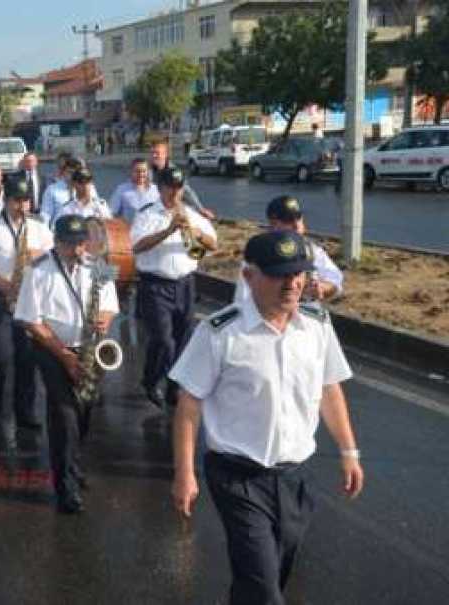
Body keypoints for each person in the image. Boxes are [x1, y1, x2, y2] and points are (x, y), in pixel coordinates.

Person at [169, 230, 364, 605]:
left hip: (294, 477)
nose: (292, 283)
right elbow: (189, 403)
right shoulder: (220, 333)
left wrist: (349, 451)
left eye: (299, 273)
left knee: (273, 571)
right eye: (278, 274)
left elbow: (329, 390)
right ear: (248, 276)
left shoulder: (317, 326)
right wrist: (185, 473)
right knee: (263, 587)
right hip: (237, 476)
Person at [14, 214, 118, 514]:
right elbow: (31, 321)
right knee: (64, 416)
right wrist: (65, 356)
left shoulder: (98, 266)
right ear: (56, 242)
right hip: (52, 349)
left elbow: (111, 304)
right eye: (70, 244)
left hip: (89, 348)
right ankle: (66, 488)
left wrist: (106, 319)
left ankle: (72, 462)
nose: (76, 249)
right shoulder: (37, 270)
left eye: (81, 243)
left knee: (84, 411)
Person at [0, 177, 54, 446]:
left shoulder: (38, 227)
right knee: (0, 355)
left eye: (26, 200)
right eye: (17, 200)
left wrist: (37, 253)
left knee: (27, 359)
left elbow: (53, 257)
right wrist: (3, 284)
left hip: (29, 299)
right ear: (6, 200)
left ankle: (25, 410)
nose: (22, 206)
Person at [131, 167, 217, 409]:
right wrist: (168, 230)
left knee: (183, 340)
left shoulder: (191, 214)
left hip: (185, 284)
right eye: (169, 187)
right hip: (156, 285)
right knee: (163, 341)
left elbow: (212, 245)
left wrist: (195, 231)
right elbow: (137, 246)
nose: (174, 193)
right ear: (160, 188)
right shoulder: (148, 214)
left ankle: (173, 386)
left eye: (178, 188)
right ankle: (150, 380)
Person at [234, 195, 343, 305]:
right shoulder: (259, 253)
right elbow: (244, 301)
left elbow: (335, 280)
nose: (296, 225)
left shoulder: (311, 250)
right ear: (273, 223)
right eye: (288, 220)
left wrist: (322, 288)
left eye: (298, 218)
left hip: (306, 318)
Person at [149, 141, 214, 220]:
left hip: (171, 210)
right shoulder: (149, 171)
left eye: (157, 153)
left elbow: (186, 191)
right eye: (152, 153)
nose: (154, 155)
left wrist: (200, 209)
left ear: (165, 155)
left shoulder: (175, 172)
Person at [109, 158, 160, 225]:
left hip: (152, 231)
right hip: (129, 231)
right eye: (137, 171)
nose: (141, 174)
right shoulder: (122, 190)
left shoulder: (156, 190)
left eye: (144, 171)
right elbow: (112, 213)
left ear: (148, 172)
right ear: (131, 171)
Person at [39, 157, 78, 225]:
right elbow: (45, 215)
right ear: (63, 172)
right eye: (70, 172)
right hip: (60, 231)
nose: (72, 175)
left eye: (75, 173)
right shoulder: (52, 190)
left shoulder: (88, 188)